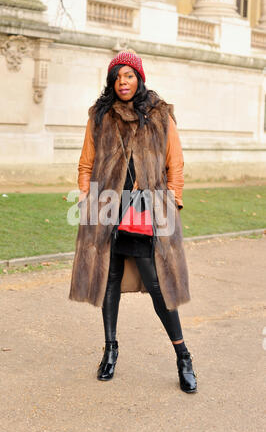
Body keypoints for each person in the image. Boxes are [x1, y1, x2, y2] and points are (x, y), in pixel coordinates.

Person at [69, 50, 197, 393]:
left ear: (139, 78)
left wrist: (173, 199)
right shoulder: (99, 116)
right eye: (117, 76)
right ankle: (110, 350)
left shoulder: (159, 115)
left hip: (146, 209)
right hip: (107, 210)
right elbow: (86, 162)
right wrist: (85, 193)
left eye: (129, 75)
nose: (123, 82)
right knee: (109, 279)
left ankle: (182, 354)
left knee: (159, 285)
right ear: (111, 82)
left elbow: (175, 163)